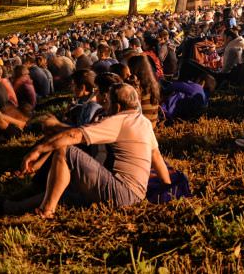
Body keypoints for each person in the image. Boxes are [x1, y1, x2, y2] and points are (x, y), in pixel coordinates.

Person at [18, 84, 170, 218]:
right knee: (64, 193)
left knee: (65, 151)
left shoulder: (118, 121)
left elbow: (73, 135)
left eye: (107, 102)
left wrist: (38, 150)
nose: (104, 105)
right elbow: (156, 156)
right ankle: (12, 207)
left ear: (116, 106)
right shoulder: (143, 122)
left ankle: (46, 211)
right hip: (136, 196)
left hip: (122, 193)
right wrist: (167, 188)